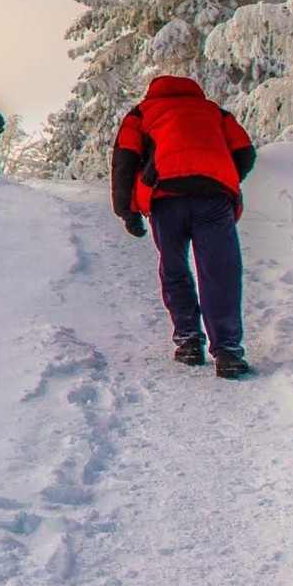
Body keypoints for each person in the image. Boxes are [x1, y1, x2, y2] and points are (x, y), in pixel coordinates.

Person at [111, 75, 258, 378]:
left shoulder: (141, 114)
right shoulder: (214, 111)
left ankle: (188, 340)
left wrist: (127, 210)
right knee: (220, 272)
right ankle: (228, 351)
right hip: (214, 197)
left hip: (166, 198)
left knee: (174, 267)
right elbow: (245, 151)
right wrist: (222, 173)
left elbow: (124, 159)